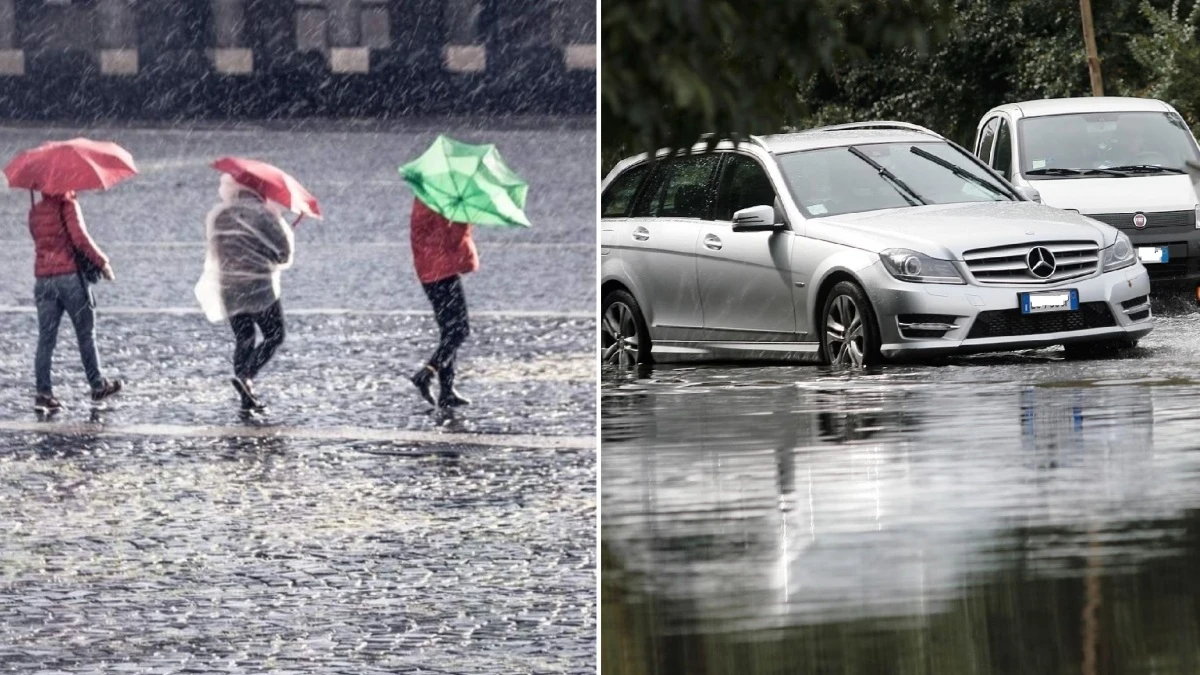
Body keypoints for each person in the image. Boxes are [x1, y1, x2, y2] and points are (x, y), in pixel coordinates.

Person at [195, 174, 294, 411]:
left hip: (229, 286)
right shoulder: (265, 214)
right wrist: (277, 226)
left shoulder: (219, 216)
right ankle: (247, 375)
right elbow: (283, 254)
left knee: (244, 336)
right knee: (274, 335)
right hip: (259, 287)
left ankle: (243, 384)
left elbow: (216, 250)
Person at [28, 190, 122, 412]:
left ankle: (43, 393)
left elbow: (41, 242)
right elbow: (80, 239)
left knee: (46, 339)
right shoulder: (67, 205)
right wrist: (103, 263)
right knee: (86, 333)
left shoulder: (34, 211)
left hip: (43, 280)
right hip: (69, 279)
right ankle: (97, 385)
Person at [408, 197, 475, 408]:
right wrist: (464, 216)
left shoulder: (425, 200)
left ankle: (446, 390)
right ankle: (427, 372)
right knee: (459, 331)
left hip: (430, 271)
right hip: (442, 273)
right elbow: (453, 238)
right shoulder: (441, 205)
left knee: (448, 331)